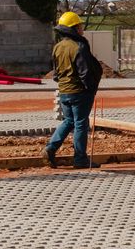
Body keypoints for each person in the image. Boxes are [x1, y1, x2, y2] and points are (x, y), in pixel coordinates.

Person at [44, 10, 104, 169]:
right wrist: (91, 89)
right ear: (74, 28)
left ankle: (51, 148)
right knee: (80, 124)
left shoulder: (58, 47)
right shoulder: (79, 47)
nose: (81, 28)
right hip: (79, 93)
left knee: (69, 121)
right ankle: (80, 159)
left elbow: (55, 73)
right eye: (79, 25)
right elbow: (84, 72)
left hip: (64, 92)